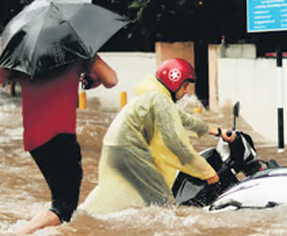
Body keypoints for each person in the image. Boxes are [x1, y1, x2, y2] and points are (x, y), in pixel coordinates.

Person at [0, 54, 118, 235]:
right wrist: (92, 70)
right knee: (64, 210)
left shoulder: (21, 56)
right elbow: (112, 80)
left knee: (63, 203)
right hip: (62, 138)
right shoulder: (76, 54)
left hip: (35, 141)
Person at [79, 58, 235, 214]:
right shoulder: (160, 100)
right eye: (185, 85)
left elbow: (182, 119)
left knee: (114, 198)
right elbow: (175, 144)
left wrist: (215, 130)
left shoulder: (155, 96)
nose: (187, 91)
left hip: (117, 150)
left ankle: (78, 217)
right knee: (163, 205)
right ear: (174, 82)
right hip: (131, 153)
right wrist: (205, 171)